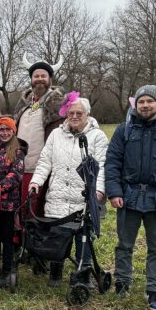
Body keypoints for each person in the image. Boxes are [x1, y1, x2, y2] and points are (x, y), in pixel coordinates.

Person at [104, 84, 156, 310]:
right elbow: (112, 162)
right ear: (135, 104)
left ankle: (154, 290)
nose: (145, 105)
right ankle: (122, 283)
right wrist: (114, 191)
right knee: (124, 244)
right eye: (141, 101)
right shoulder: (124, 130)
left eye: (150, 101)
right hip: (128, 196)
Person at [28, 95, 108, 286]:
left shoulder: (97, 136)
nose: (74, 116)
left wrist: (99, 191)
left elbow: (103, 166)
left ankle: (83, 274)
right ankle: (55, 273)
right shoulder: (56, 134)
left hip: (84, 197)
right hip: (58, 195)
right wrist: (36, 181)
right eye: (70, 112)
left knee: (84, 237)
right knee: (57, 236)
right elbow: (45, 161)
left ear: (87, 114)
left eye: (79, 113)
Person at [13, 57, 66, 209]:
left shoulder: (59, 105)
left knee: (36, 212)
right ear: (31, 79)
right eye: (36, 76)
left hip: (43, 170)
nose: (40, 79)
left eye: (43, 76)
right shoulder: (23, 104)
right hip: (20, 168)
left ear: (50, 78)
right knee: (20, 211)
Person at [0, 116, 26, 286]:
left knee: (7, 238)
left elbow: (16, 175)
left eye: (7, 129)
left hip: (9, 203)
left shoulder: (18, 150)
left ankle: (7, 271)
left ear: (13, 131)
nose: (4, 133)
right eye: (1, 129)